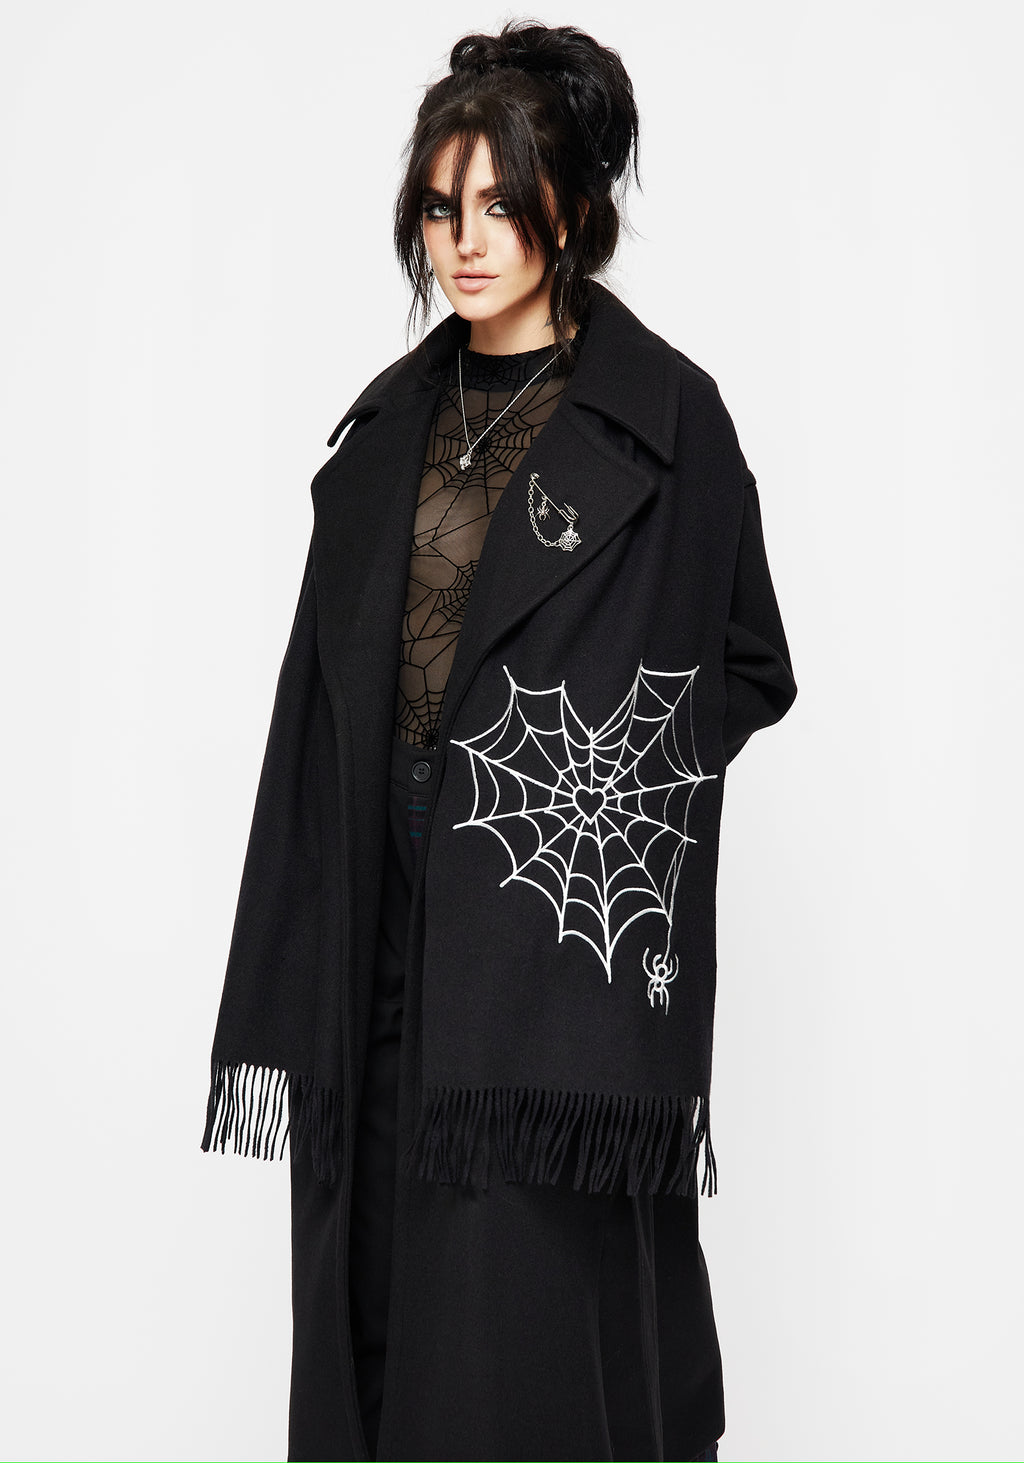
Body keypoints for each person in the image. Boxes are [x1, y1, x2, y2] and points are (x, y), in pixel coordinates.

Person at [201, 20, 798, 1463]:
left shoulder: (668, 422)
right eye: (437, 207)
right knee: (375, 1295)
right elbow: (325, 685)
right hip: (373, 924)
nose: (463, 242)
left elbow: (750, 665)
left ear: (569, 213)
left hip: (549, 963)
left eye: (498, 205)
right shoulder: (383, 435)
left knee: (525, 1329)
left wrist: (610, 773)